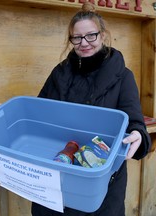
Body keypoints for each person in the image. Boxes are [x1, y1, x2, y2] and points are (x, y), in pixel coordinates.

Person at [31, 2, 152, 216]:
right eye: (76, 38)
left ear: (103, 35)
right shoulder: (59, 73)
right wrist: (10, 112)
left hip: (102, 183)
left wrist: (138, 135)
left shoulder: (123, 76)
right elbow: (40, 112)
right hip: (58, 172)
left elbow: (134, 120)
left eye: (91, 36)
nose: (83, 43)